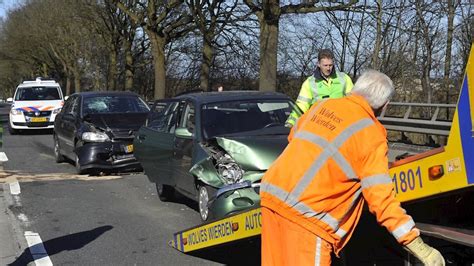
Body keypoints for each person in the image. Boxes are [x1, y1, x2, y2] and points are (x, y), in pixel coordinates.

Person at [261, 70, 445, 266]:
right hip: (308, 216)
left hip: (272, 196)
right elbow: (381, 199)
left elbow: (295, 139)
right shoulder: (371, 135)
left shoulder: (321, 105)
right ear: (385, 106)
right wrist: (416, 244)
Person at [286, 49, 353, 127]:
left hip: (341, 125)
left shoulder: (344, 78)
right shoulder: (310, 83)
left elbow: (354, 101)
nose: (328, 68)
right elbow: (301, 105)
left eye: (330, 65)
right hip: (319, 127)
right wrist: (291, 122)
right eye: (325, 65)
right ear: (318, 64)